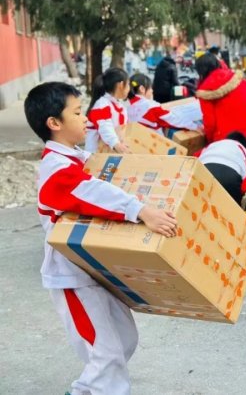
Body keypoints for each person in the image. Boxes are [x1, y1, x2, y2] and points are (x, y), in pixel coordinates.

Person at [24, 82, 178, 395]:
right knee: (105, 353)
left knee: (124, 340)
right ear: (54, 123)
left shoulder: (77, 157)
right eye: (77, 113)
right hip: (71, 276)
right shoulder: (56, 169)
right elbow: (94, 193)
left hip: (95, 267)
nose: (86, 118)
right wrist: (141, 210)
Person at [194, 52, 246, 168]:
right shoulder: (236, 78)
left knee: (240, 177)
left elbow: (210, 123)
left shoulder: (205, 91)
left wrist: (210, 142)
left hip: (231, 146)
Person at [125, 73, 200, 134]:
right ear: (142, 89)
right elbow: (172, 120)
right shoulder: (149, 107)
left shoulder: (128, 108)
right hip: (155, 144)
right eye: (150, 88)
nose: (152, 91)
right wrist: (195, 127)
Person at [198, 131, 246, 206]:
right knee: (230, 209)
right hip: (230, 177)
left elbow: (194, 157)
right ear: (244, 145)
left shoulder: (213, 145)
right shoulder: (243, 150)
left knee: (198, 204)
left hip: (204, 170)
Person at [85, 67, 130, 153]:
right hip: (96, 155)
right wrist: (116, 144)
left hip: (111, 152)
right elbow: (105, 126)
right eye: (128, 84)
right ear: (121, 85)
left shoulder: (120, 106)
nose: (129, 88)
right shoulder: (101, 105)